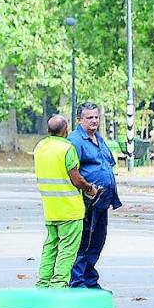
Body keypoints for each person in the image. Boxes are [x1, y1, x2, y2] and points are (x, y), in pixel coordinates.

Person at [35, 116, 98, 288]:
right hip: (70, 209)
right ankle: (58, 286)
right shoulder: (66, 148)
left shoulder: (40, 147)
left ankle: (43, 285)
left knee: (50, 248)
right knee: (67, 251)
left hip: (51, 208)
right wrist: (89, 188)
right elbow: (76, 179)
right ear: (66, 130)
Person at [68, 103, 122, 290]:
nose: (94, 121)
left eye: (96, 117)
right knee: (84, 241)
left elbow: (107, 163)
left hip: (103, 200)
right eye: (89, 117)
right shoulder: (75, 140)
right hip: (87, 200)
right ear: (79, 119)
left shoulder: (98, 138)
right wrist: (88, 189)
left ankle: (90, 281)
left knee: (98, 241)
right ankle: (77, 282)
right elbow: (71, 170)